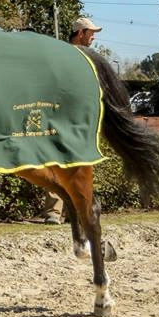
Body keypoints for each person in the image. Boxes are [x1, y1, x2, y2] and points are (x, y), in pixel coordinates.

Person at [34, 16, 106, 224]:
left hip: (80, 118)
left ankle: (72, 213)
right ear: (80, 33)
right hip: (61, 115)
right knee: (56, 161)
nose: (93, 36)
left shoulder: (90, 57)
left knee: (78, 165)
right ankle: (54, 213)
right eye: (91, 32)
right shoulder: (64, 54)